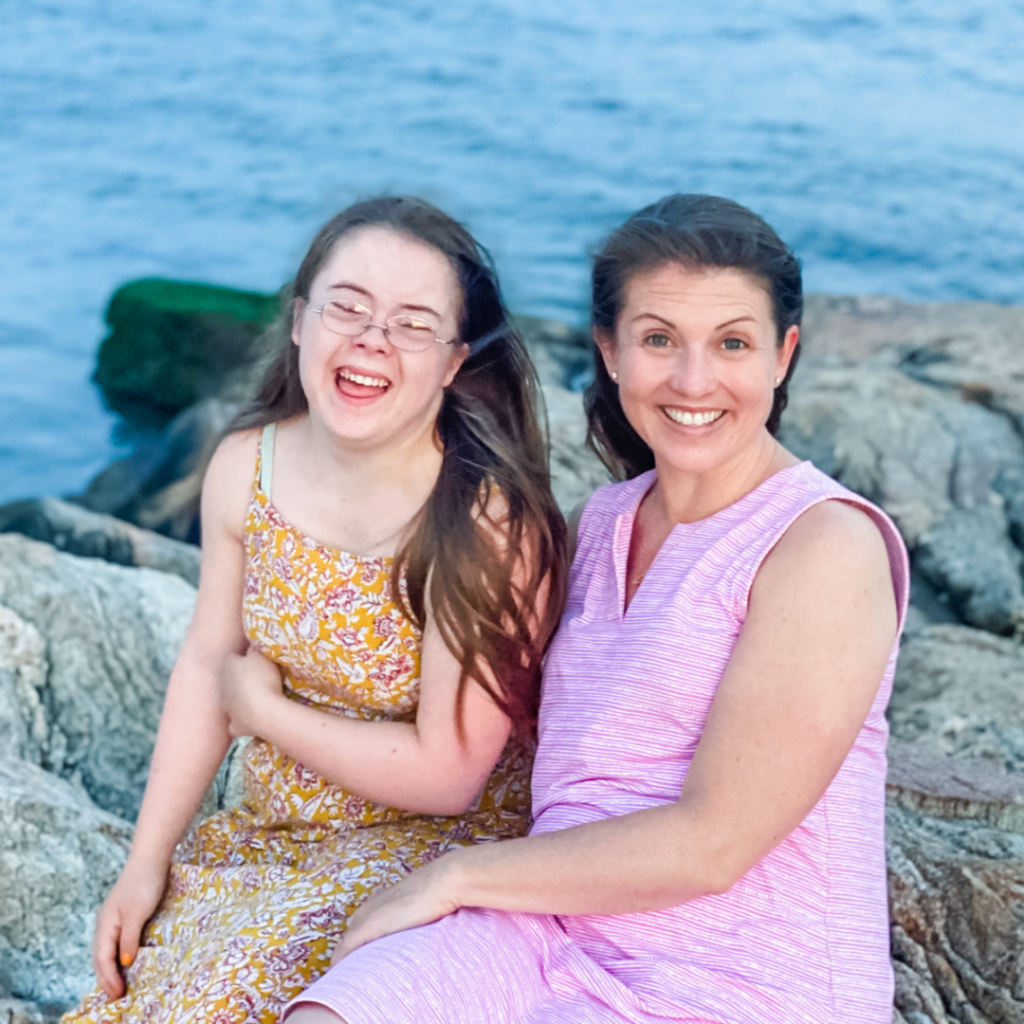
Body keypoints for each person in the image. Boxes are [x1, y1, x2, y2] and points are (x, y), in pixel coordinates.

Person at [285, 194, 909, 1024]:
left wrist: (455, 876)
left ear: (782, 355)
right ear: (610, 352)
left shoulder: (822, 545)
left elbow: (714, 844)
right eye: (659, 340)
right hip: (548, 937)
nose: (693, 380)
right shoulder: (601, 524)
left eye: (732, 343)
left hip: (737, 982)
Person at [63, 196, 566, 1023]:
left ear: (453, 361)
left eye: (412, 324)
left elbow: (448, 775)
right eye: (348, 306)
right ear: (300, 321)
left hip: (430, 857)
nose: (371, 339)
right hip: (274, 832)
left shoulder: (482, 520)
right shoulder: (245, 467)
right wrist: (144, 861)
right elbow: (203, 664)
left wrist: (262, 710)